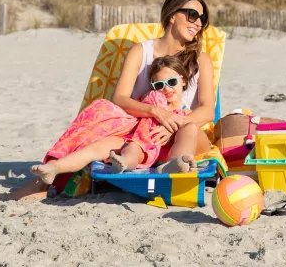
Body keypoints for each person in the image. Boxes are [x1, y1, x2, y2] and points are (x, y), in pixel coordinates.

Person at [9, 0, 215, 200]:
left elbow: (207, 109)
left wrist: (173, 123)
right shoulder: (141, 52)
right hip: (143, 133)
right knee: (99, 129)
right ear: (172, 15)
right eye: (192, 15)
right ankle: (45, 178)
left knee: (188, 129)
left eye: (202, 18)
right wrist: (156, 112)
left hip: (184, 133)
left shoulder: (201, 60)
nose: (198, 22)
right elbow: (120, 99)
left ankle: (174, 168)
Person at [28, 56, 193, 185]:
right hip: (131, 138)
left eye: (172, 82)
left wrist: (171, 128)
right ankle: (55, 167)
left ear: (183, 80)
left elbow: (190, 130)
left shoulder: (187, 113)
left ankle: (131, 162)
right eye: (159, 85)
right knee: (97, 148)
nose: (166, 89)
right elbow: (129, 111)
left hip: (157, 146)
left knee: (135, 148)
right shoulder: (150, 100)